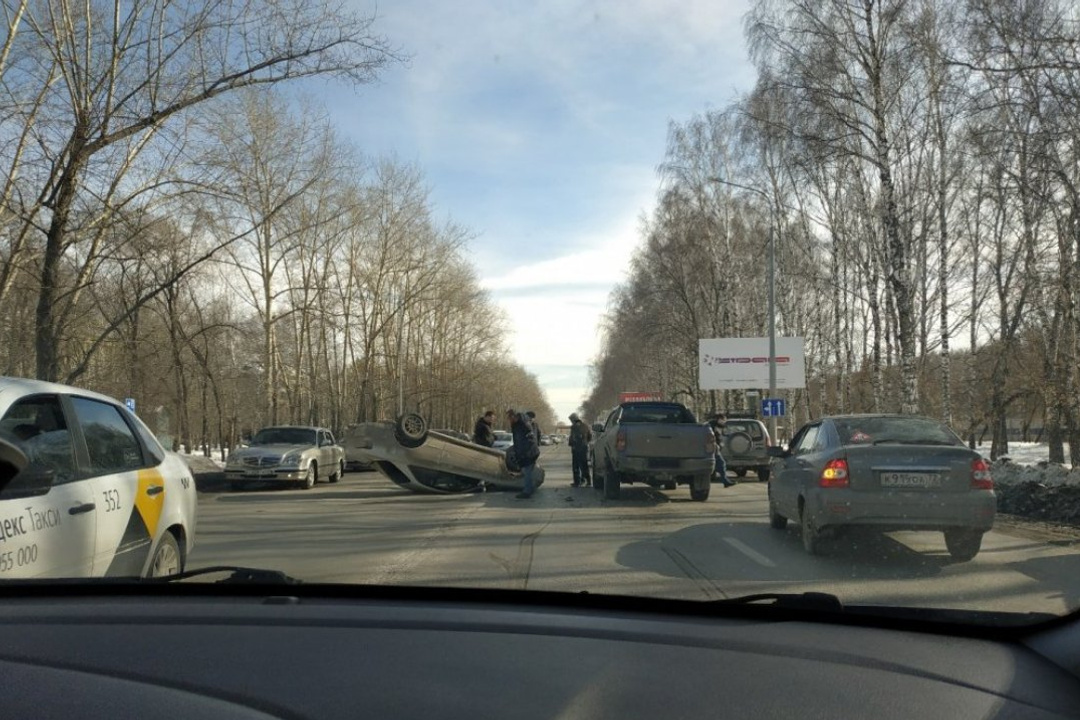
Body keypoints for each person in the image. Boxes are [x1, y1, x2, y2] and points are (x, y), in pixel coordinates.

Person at [507, 408, 541, 499]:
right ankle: (529, 488)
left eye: (510, 418)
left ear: (514, 417)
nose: (509, 420)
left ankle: (527, 491)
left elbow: (529, 440)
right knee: (527, 472)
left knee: (527, 472)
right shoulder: (519, 424)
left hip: (529, 452)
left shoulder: (524, 424)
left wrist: (524, 453)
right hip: (527, 452)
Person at [568, 413, 592, 487]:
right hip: (584, 448)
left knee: (576, 466)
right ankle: (588, 481)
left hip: (576, 448)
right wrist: (586, 442)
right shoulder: (586, 426)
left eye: (571, 420)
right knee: (584, 465)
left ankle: (577, 482)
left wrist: (571, 444)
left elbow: (572, 437)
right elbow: (590, 436)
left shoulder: (574, 427)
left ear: (573, 419)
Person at [710, 414, 734, 488]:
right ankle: (725, 481)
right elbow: (712, 437)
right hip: (713, 448)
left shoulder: (717, 426)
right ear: (719, 419)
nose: (724, 422)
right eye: (723, 420)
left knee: (719, 464)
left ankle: (725, 481)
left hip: (714, 448)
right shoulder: (712, 426)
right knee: (721, 463)